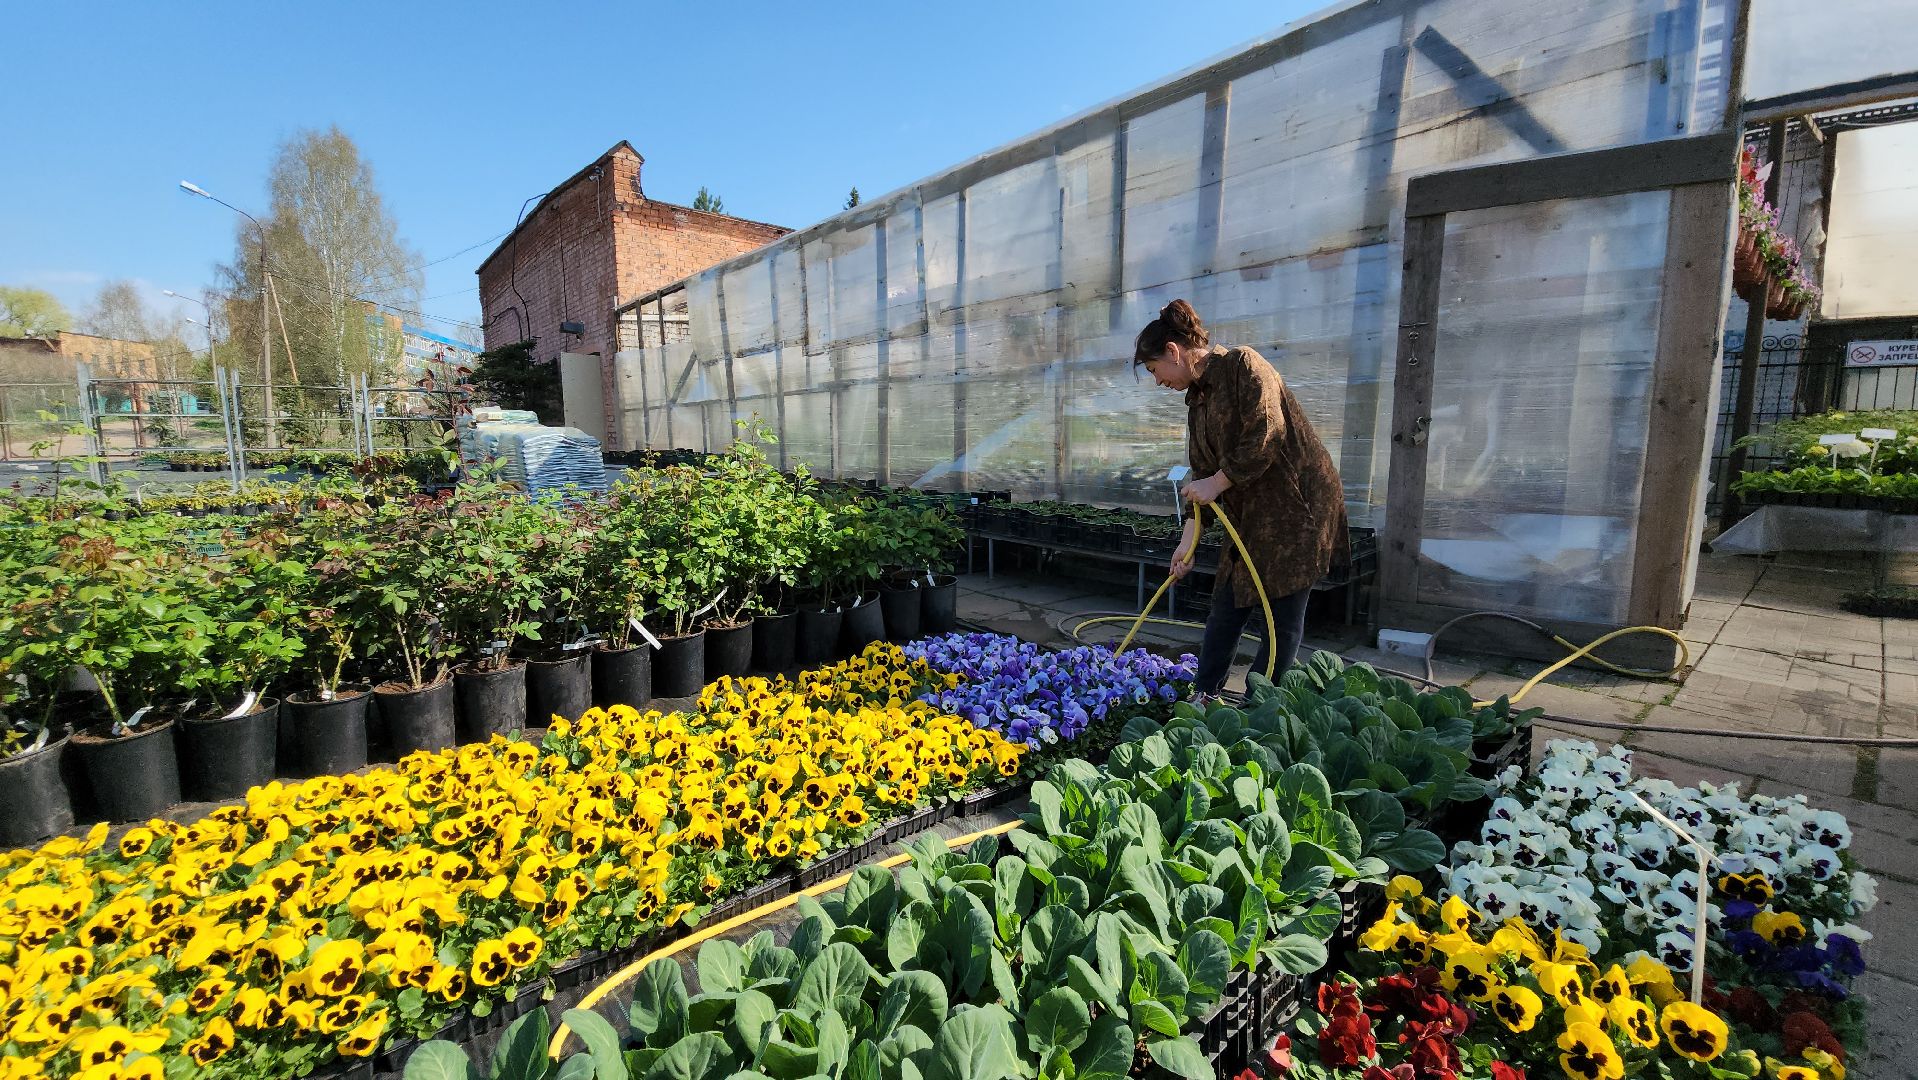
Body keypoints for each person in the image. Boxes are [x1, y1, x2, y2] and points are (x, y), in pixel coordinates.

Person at [1135, 299, 1347, 695]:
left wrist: (1217, 482)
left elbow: (1268, 434)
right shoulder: (1197, 401)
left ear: (1173, 351)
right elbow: (1201, 477)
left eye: (1154, 370)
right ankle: (1205, 693)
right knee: (1228, 604)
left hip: (1297, 511)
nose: (1158, 380)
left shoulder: (1243, 366)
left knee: (1280, 616)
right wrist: (1187, 543)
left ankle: (1261, 708)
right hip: (1249, 514)